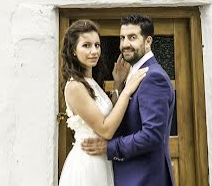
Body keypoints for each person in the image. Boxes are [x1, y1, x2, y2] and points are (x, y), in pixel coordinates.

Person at [81, 14, 176, 186]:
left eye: (132, 37)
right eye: (122, 38)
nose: (125, 44)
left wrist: (109, 148)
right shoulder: (134, 74)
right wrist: (119, 84)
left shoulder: (153, 77)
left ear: (148, 41)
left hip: (144, 178)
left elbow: (152, 135)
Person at [59, 19, 148, 186]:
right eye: (86, 45)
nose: (94, 51)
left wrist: (118, 84)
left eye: (97, 45)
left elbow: (109, 113)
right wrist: (127, 89)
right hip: (87, 163)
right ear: (73, 51)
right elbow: (106, 129)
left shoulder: (90, 81)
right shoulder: (75, 87)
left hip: (100, 161)